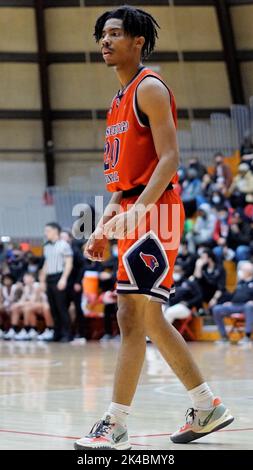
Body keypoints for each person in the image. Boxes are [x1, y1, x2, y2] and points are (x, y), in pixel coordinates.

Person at [74, 5, 233, 450]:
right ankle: (206, 406)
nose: (104, 41)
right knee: (146, 316)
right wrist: (105, 224)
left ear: (138, 41)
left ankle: (116, 422)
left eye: (114, 33)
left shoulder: (150, 88)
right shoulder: (117, 100)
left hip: (156, 210)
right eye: (101, 35)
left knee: (132, 315)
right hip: (136, 209)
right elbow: (125, 180)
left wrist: (139, 213)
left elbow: (169, 161)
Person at [40, 222, 73, 342]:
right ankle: (57, 333)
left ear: (55, 231)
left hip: (59, 277)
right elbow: (46, 264)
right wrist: (42, 280)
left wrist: (63, 278)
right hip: (49, 278)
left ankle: (67, 334)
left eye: (48, 230)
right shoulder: (46, 246)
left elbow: (69, 263)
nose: (46, 233)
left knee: (62, 307)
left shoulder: (64, 245)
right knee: (53, 308)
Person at [212, 261, 253, 345]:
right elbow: (235, 295)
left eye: (242, 270)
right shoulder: (240, 283)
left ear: (249, 271)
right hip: (234, 305)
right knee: (217, 309)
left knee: (249, 307)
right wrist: (230, 302)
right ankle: (224, 337)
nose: (240, 272)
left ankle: (247, 337)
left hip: (246, 306)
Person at [60, 230, 86, 342]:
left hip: (75, 284)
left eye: (64, 237)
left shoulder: (75, 250)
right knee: (64, 308)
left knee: (78, 308)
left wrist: (78, 282)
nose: (62, 239)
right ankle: (67, 333)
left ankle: (82, 333)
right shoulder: (60, 250)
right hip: (65, 284)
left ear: (70, 238)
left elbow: (83, 266)